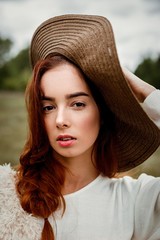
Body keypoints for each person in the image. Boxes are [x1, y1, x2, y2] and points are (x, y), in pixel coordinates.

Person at [0, 14, 160, 240]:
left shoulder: (137, 201)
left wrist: (146, 91)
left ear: (103, 113)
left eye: (77, 104)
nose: (60, 119)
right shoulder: (5, 191)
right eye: (48, 107)